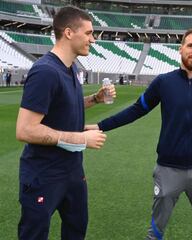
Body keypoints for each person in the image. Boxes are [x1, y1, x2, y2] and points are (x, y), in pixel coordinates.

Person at [86, 28, 192, 239]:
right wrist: (101, 126)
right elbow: (136, 110)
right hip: (168, 170)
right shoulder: (164, 82)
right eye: (190, 46)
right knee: (156, 231)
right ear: (181, 49)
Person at [16, 6, 116, 240]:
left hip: (72, 171)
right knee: (34, 235)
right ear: (69, 33)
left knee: (76, 230)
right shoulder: (45, 71)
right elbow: (25, 129)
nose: (93, 39)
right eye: (89, 33)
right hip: (44, 174)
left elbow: (63, 105)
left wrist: (94, 99)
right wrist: (82, 138)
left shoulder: (70, 67)